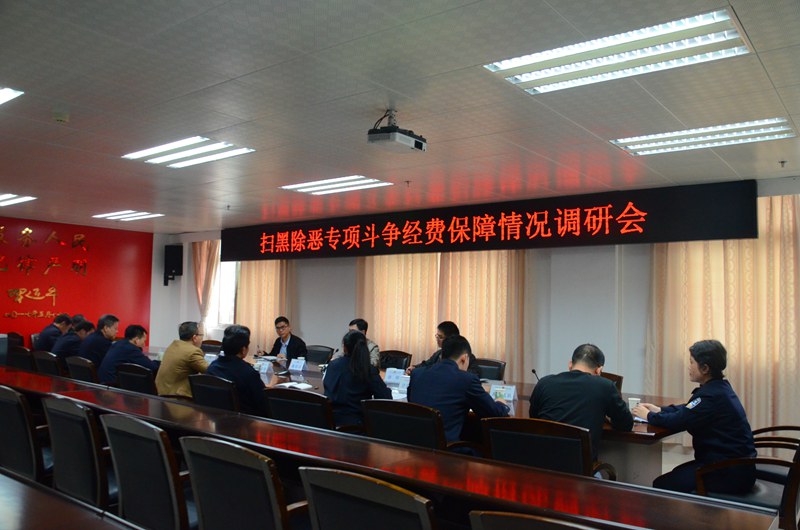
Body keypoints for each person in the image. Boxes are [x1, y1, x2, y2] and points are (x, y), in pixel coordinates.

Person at [633, 340, 756, 494]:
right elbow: (689, 409)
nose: (689, 367)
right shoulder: (718, 389)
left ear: (705, 368)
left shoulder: (709, 397)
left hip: (727, 473)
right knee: (676, 474)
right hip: (733, 467)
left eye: (692, 362)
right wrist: (660, 409)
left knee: (662, 484)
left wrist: (649, 416)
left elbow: (678, 421)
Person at [529, 343, 633, 461]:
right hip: (579, 467)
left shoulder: (544, 383)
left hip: (541, 463)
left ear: (570, 364)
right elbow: (626, 424)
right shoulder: (605, 386)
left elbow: (534, 418)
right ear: (599, 370)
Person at [408, 335, 509, 444]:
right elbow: (494, 414)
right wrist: (501, 403)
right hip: (445, 449)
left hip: (413, 445)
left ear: (441, 356)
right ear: (464, 358)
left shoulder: (417, 373)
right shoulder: (467, 380)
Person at [324, 329, 391, 427]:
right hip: (356, 425)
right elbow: (385, 399)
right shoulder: (367, 369)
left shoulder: (333, 365)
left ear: (344, 347)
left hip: (330, 420)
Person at [207, 325, 268, 416]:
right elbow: (264, 404)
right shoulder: (248, 373)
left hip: (216, 418)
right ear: (243, 350)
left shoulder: (212, 367)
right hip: (246, 421)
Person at [155, 321, 209, 397]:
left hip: (160, 393)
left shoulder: (173, 346)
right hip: (176, 397)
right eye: (202, 335)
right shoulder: (193, 352)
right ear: (194, 338)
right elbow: (210, 371)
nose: (202, 339)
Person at [409, 321, 479, 375]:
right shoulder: (438, 354)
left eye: (440, 337)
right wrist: (414, 368)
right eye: (437, 336)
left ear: (451, 339)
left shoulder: (468, 357)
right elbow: (426, 365)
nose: (437, 339)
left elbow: (473, 376)